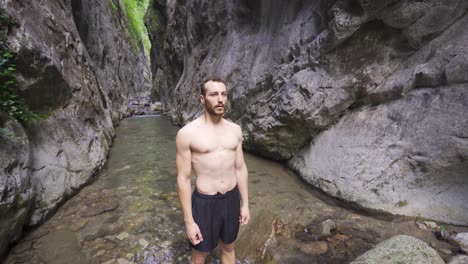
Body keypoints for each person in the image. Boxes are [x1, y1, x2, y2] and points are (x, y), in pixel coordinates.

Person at [176, 75, 250, 264]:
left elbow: (240, 168)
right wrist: (189, 221)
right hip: (204, 202)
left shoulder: (235, 130)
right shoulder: (187, 134)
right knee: (200, 254)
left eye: (224, 94)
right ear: (202, 99)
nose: (220, 99)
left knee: (228, 247)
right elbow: (183, 179)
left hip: (231, 199)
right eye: (214, 94)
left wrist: (245, 204)